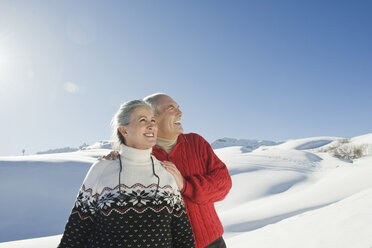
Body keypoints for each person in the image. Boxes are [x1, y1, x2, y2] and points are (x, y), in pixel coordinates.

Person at [58, 100, 195, 248]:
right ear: (123, 130)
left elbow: (183, 236)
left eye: (153, 120)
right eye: (143, 120)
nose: (152, 125)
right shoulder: (102, 169)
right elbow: (76, 232)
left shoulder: (165, 173)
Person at [104, 94, 232, 247]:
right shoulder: (135, 155)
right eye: (171, 108)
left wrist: (186, 185)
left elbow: (223, 183)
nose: (180, 113)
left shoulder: (196, 142)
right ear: (154, 118)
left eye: (178, 108)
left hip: (212, 242)